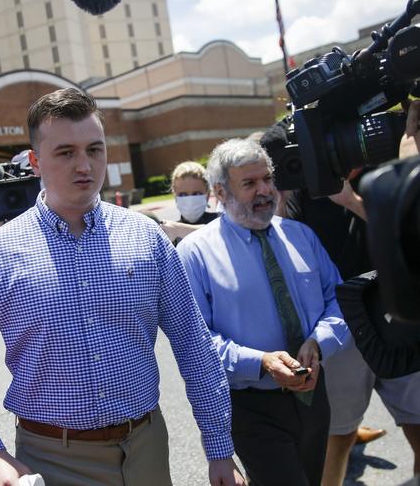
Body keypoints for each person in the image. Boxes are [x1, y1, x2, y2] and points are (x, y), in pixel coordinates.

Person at [0, 87, 244, 486]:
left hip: (146, 448)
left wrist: (220, 449)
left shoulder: (145, 237)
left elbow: (193, 344)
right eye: (66, 152)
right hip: (51, 461)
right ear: (35, 161)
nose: (85, 165)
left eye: (95, 150)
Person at [177, 138, 350, 486]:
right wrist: (260, 361)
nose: (265, 191)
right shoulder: (195, 254)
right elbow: (197, 342)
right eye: (250, 183)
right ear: (221, 192)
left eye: (268, 179)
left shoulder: (301, 235)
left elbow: (339, 299)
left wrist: (319, 342)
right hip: (252, 407)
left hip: (314, 397)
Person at [260, 115, 420, 485]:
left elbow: (407, 232)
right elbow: (276, 236)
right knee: (340, 434)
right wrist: (282, 191)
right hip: (340, 322)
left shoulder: (390, 157)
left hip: (398, 314)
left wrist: (351, 200)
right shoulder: (299, 165)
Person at [159, 160, 219, 244]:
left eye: (196, 193)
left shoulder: (221, 220)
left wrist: (179, 229)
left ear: (207, 194)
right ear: (175, 196)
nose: (190, 200)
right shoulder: (168, 233)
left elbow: (218, 233)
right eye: (183, 194)